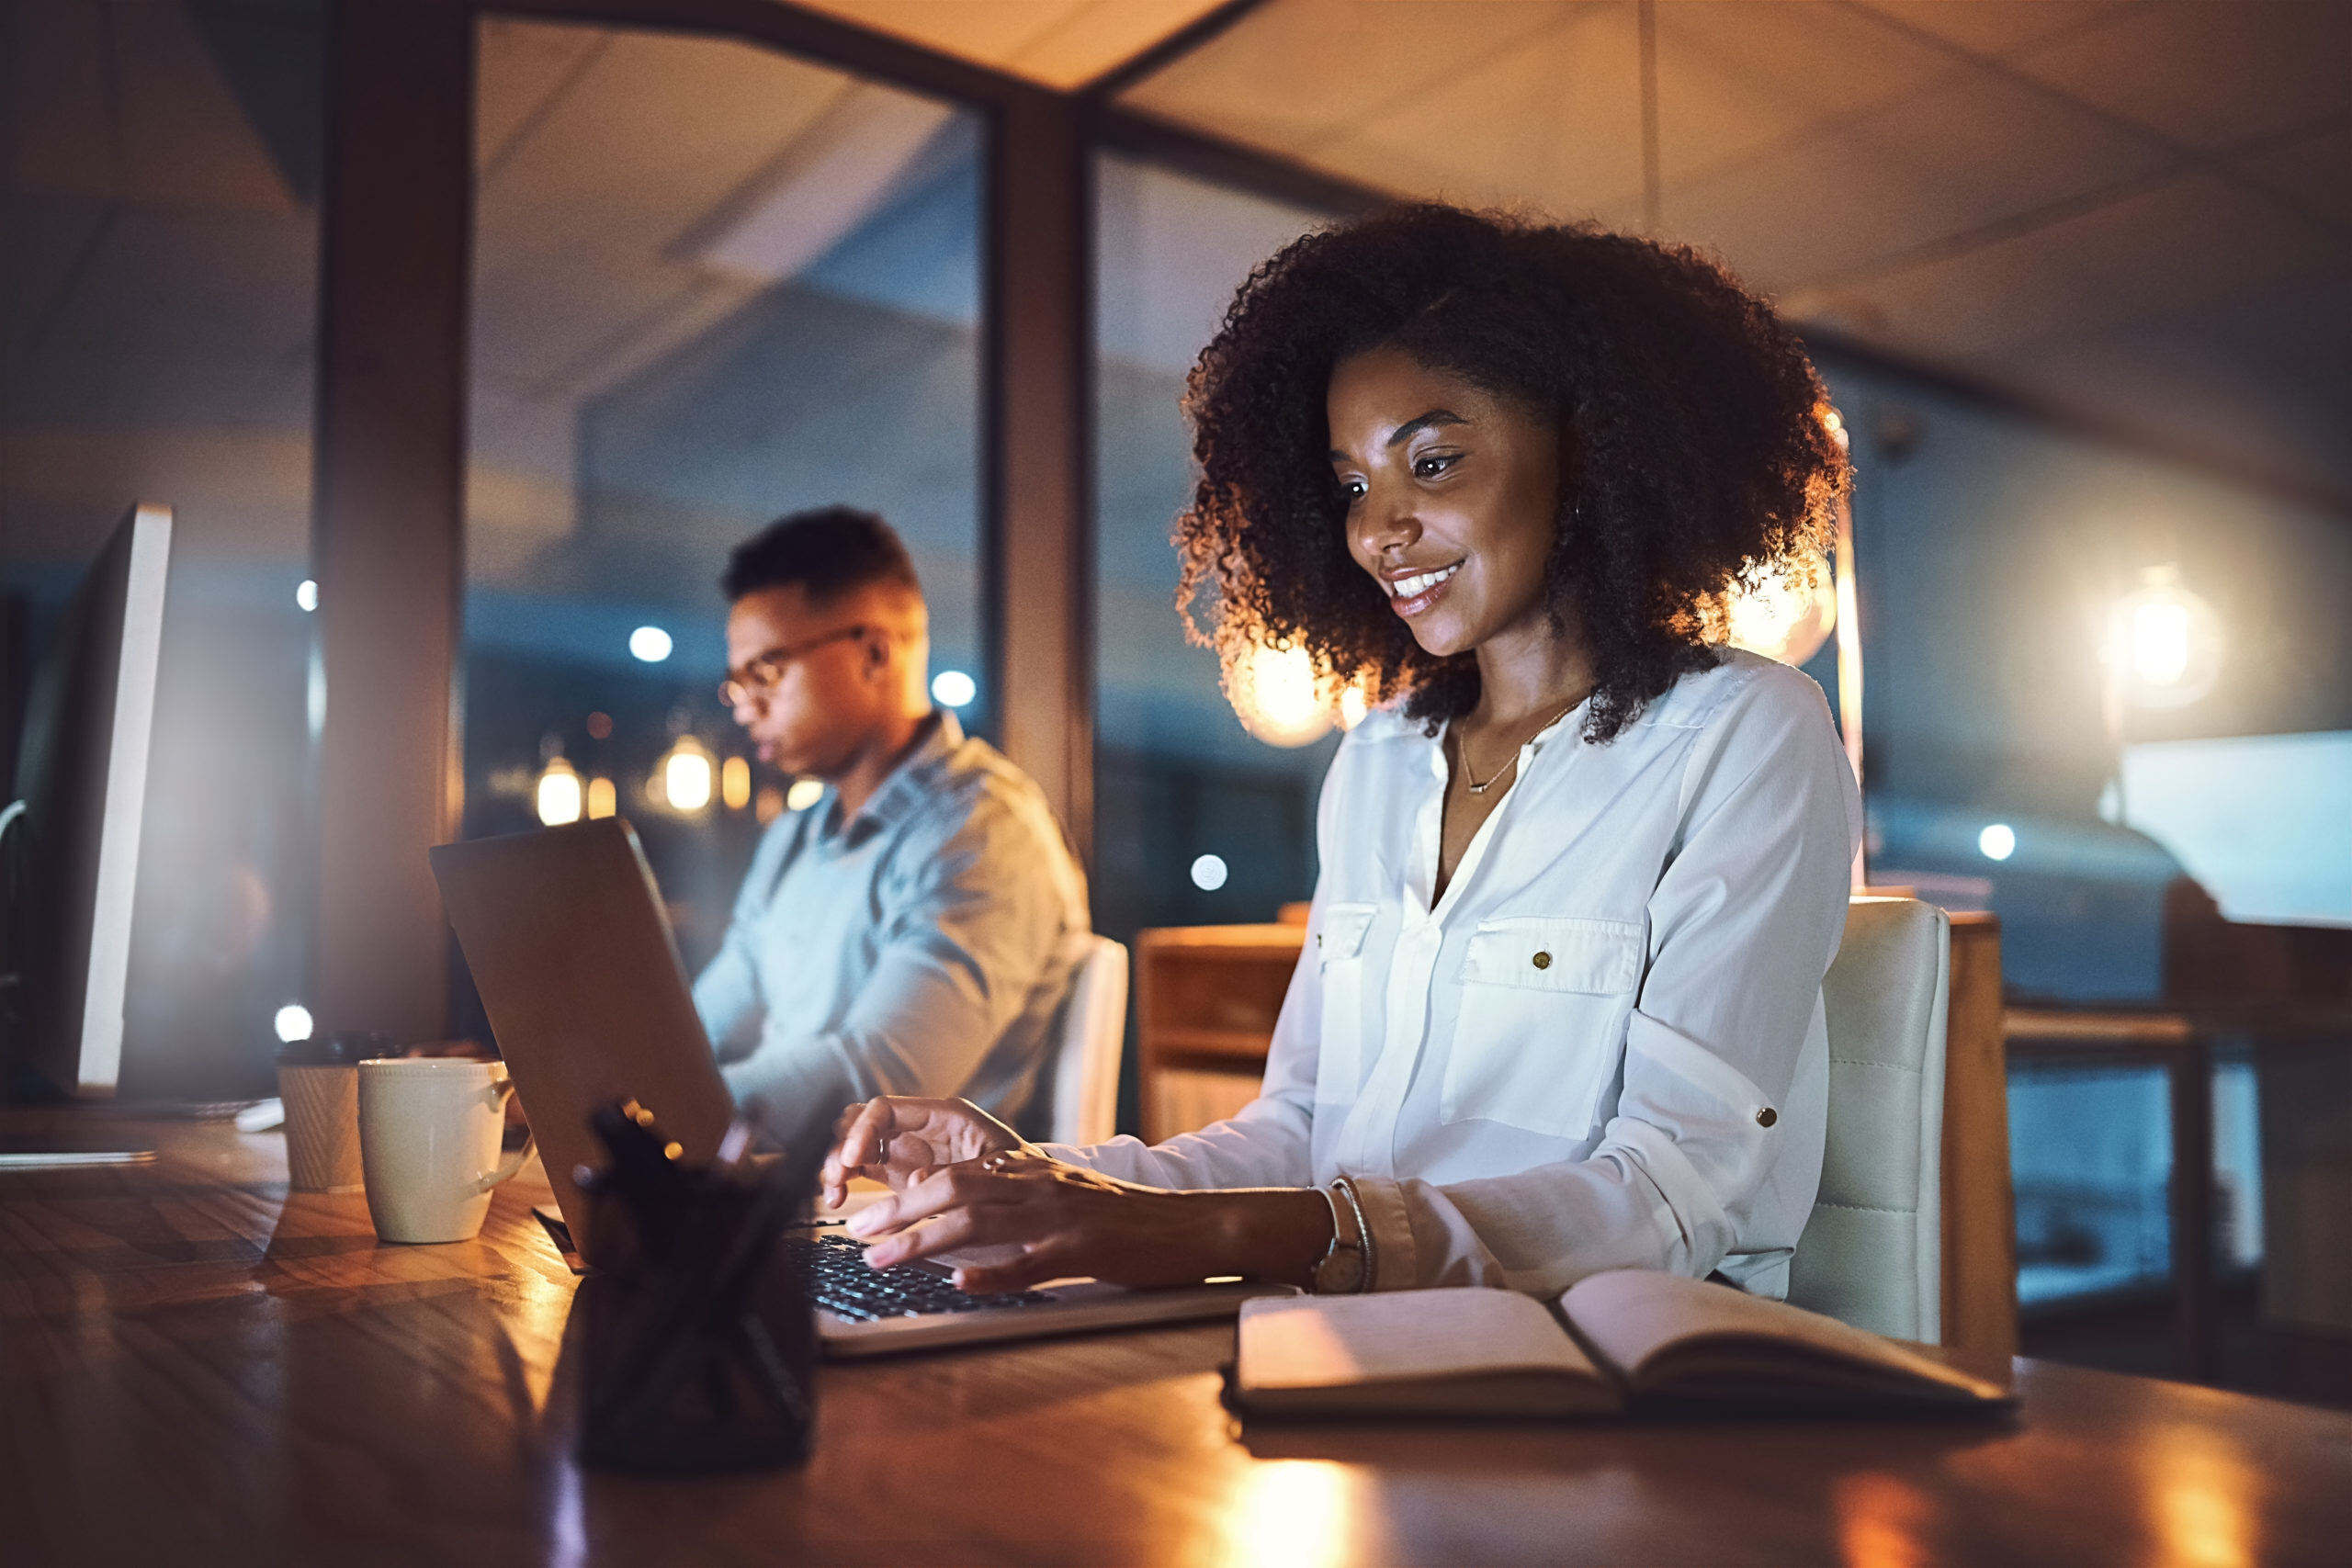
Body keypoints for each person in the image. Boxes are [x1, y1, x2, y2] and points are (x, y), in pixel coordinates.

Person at [824, 208, 1861, 1301]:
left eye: (1434, 461)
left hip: (1604, 1385)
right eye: (1355, 485)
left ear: (1594, 451)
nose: (1377, 531)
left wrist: (1234, 1240)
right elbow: (1305, 1131)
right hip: (1347, 1347)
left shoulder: (1746, 735)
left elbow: (1668, 1197)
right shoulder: (1378, 762)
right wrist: (1034, 1181)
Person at [694, 506, 1091, 1156]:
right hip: (789, 1199)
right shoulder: (796, 834)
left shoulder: (984, 832)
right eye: (737, 683)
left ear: (875, 652)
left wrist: (666, 1104)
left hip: (919, 1222)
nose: (748, 706)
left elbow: (877, 1079)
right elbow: (707, 1019)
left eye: (766, 671)